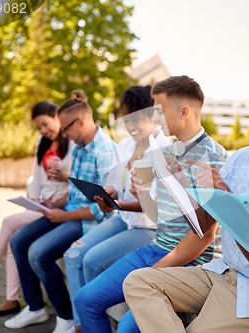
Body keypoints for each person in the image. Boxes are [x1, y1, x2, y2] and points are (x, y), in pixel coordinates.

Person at [121, 74, 249, 333]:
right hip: (221, 271)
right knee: (137, 282)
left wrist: (227, 200)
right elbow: (204, 226)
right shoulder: (241, 159)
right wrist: (182, 185)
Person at [73, 75, 227, 333]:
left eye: (158, 111)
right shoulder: (166, 151)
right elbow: (158, 216)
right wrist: (141, 192)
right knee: (85, 300)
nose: (154, 118)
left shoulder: (212, 157)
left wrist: (153, 272)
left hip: (190, 262)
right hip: (157, 248)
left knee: (127, 326)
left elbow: (204, 237)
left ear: (184, 112)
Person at [5, 90, 117, 333]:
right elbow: (78, 191)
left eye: (65, 128)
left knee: (38, 253)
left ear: (82, 122)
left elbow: (102, 209)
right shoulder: (79, 146)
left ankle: (66, 316)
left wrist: (63, 215)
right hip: (69, 211)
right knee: (18, 241)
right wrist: (54, 204)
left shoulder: (104, 151)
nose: (63, 133)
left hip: (86, 221)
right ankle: (35, 308)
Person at [62, 86, 170, 333]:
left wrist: (119, 203)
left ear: (151, 114)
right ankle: (85, 322)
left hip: (148, 228)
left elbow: (152, 205)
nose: (130, 125)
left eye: (136, 118)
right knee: (76, 253)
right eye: (126, 118)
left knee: (92, 260)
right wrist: (109, 193)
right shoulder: (123, 147)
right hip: (122, 218)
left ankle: (89, 320)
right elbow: (114, 184)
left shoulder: (164, 149)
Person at [0, 101, 75, 318]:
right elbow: (36, 174)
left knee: (10, 224)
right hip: (41, 204)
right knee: (14, 237)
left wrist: (64, 179)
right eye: (39, 128)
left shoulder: (72, 143)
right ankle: (12, 299)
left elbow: (79, 183)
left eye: (46, 124)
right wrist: (33, 198)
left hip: (60, 206)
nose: (44, 130)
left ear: (57, 116)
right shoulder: (42, 142)